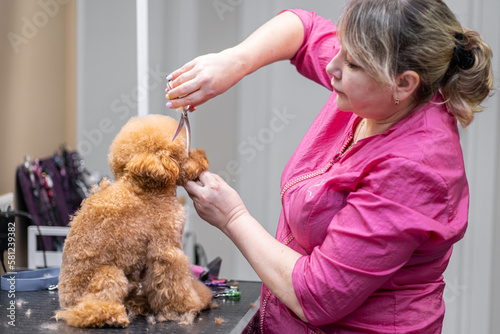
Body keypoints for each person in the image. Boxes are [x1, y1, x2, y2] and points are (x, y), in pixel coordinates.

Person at [165, 0, 493, 332]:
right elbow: (303, 29)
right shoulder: (380, 94)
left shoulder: (416, 168)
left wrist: (233, 217)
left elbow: (316, 296)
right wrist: (234, 62)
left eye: (351, 63)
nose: (332, 66)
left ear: (403, 84)